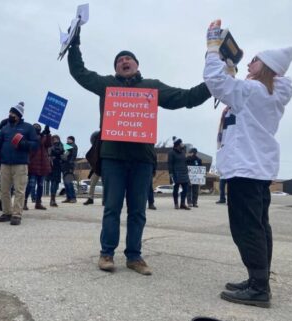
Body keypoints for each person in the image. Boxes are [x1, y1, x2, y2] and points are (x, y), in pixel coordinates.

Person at [67, 26, 211, 275]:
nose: (124, 62)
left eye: (128, 59)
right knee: (111, 208)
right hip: (113, 159)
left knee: (138, 211)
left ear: (136, 64)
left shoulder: (151, 87)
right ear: (116, 68)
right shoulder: (106, 85)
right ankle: (106, 254)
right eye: (120, 60)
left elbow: (182, 97)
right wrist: (74, 45)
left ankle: (134, 256)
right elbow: (79, 73)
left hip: (142, 161)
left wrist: (211, 87)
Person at [204, 19, 292, 308]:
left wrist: (212, 49)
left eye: (254, 60)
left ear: (266, 66)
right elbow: (230, 87)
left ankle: (258, 288)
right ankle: (259, 279)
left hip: (246, 166)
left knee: (246, 227)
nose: (248, 63)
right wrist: (231, 69)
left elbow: (216, 83)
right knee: (259, 225)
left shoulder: (254, 92)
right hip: (255, 167)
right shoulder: (265, 92)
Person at [0, 102, 39, 226]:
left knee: (19, 190)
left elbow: (36, 145)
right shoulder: (5, 128)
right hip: (5, 163)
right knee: (4, 190)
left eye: (13, 113)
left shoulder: (28, 128)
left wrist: (23, 144)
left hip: (20, 164)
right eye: (10, 112)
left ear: (18, 115)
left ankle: (17, 214)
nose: (10, 115)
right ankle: (7, 212)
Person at [24, 123, 51, 210]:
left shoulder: (43, 136)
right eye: (36, 128)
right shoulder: (30, 137)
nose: (38, 129)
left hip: (42, 165)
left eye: (39, 127)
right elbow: (37, 143)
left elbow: (48, 144)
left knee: (40, 185)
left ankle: (38, 202)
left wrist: (48, 134)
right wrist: (43, 135)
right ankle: (24, 202)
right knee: (31, 184)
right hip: (33, 165)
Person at [168, 138, 191, 210]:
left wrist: (187, 171)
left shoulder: (183, 152)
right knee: (176, 189)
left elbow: (185, 163)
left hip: (184, 172)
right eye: (181, 143)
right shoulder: (171, 152)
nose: (182, 144)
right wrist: (171, 173)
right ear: (178, 145)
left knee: (185, 189)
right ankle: (176, 203)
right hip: (176, 173)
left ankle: (183, 203)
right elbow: (170, 164)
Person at [84, 131, 101, 206]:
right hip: (97, 168)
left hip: (103, 167)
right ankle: (90, 198)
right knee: (92, 183)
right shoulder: (94, 148)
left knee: (106, 184)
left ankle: (106, 199)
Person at [47, 134, 64, 207]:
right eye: (54, 139)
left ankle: (53, 199)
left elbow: (63, 153)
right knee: (53, 182)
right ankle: (52, 199)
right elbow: (52, 152)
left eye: (57, 139)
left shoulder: (62, 145)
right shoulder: (50, 146)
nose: (56, 140)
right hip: (52, 165)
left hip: (58, 166)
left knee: (56, 183)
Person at [61, 136, 78, 203]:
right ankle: (68, 197)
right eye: (67, 139)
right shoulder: (66, 146)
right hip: (64, 166)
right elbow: (63, 154)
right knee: (65, 183)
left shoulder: (73, 146)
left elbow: (74, 155)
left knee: (69, 182)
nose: (67, 140)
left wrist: (71, 164)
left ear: (72, 140)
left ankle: (73, 198)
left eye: (69, 139)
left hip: (69, 166)